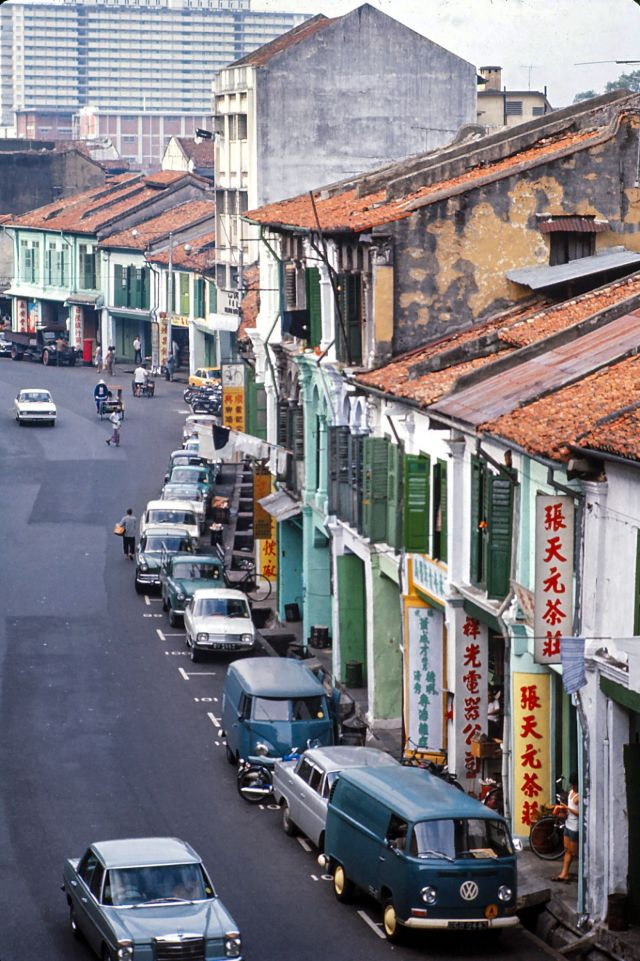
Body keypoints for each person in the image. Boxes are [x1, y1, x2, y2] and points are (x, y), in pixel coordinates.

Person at [552, 772, 579, 883]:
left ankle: (574, 874)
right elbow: (569, 810)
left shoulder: (579, 796)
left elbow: (580, 813)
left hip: (575, 827)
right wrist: (562, 810)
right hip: (568, 824)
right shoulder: (571, 793)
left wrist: (566, 807)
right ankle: (564, 874)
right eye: (572, 784)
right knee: (567, 850)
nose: (572, 787)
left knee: (574, 852)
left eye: (574, 784)